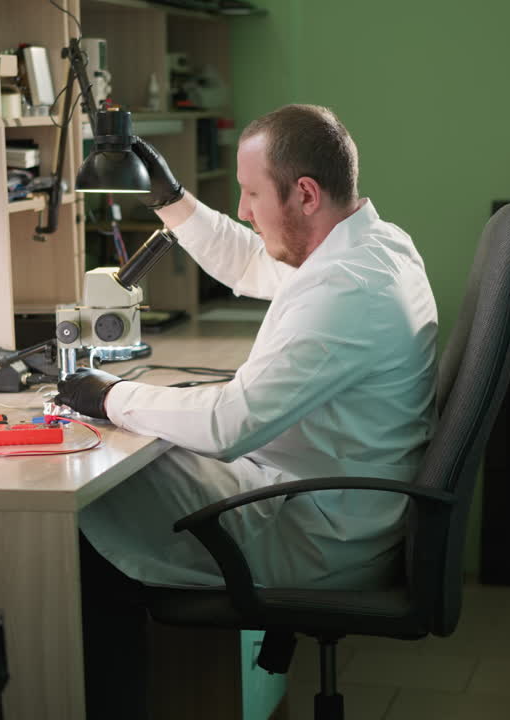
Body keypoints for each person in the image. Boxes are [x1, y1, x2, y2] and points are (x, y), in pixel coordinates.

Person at [55, 104, 439, 717]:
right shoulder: (372, 245)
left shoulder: (348, 287)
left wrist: (108, 396)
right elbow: (252, 260)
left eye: (253, 193)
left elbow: (227, 425)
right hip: (324, 497)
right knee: (121, 464)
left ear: (306, 194)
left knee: (84, 505)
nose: (242, 210)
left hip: (316, 531)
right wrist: (171, 200)